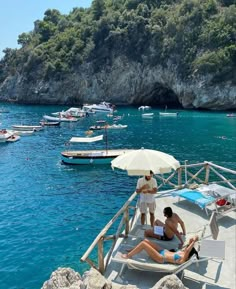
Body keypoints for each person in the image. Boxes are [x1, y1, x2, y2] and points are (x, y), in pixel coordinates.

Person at [121, 235, 199, 264]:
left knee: (143, 245)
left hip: (160, 258)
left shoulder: (183, 259)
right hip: (163, 251)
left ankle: (128, 255)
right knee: (145, 241)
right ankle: (132, 250)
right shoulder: (183, 252)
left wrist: (194, 242)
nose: (186, 249)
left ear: (188, 255)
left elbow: (188, 250)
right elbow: (190, 243)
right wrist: (194, 239)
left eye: (187, 249)